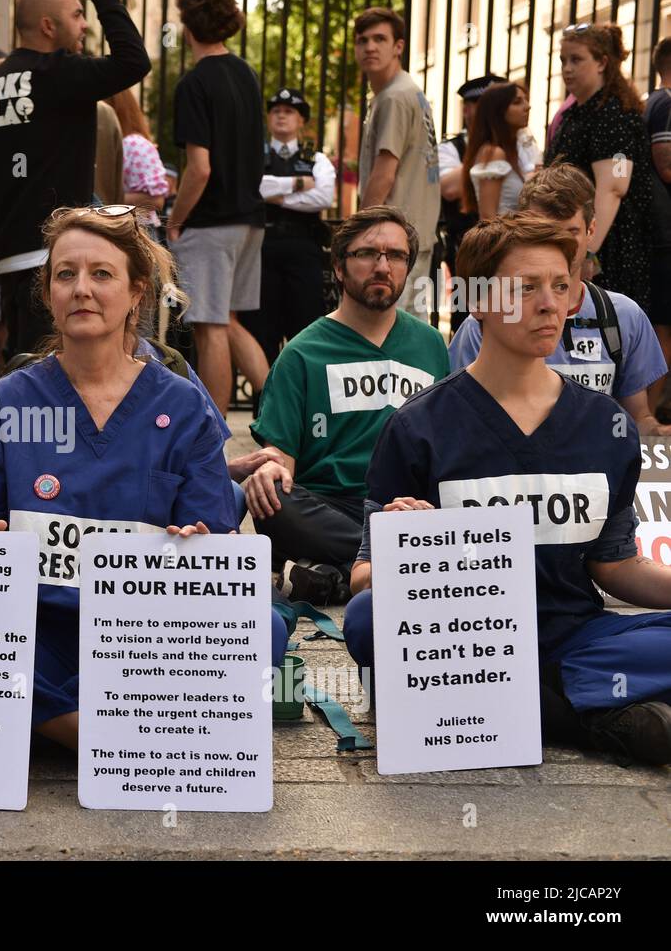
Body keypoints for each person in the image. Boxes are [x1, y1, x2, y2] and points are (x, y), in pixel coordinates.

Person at [0, 204, 288, 749]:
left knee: (266, 630)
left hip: (147, 634)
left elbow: (215, 550)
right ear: (47, 292)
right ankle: (120, 734)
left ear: (137, 292)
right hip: (35, 626)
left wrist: (199, 544)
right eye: (65, 274)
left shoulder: (185, 406)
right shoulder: (9, 401)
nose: (81, 289)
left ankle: (50, 724)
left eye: (101, 274)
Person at [343, 212, 671, 765]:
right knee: (367, 618)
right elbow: (361, 579)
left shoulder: (604, 427)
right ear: (478, 300)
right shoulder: (418, 426)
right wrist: (411, 546)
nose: (551, 305)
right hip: (461, 637)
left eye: (561, 286)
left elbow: (614, 567)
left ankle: (501, 710)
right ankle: (590, 717)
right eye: (525, 288)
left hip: (574, 637)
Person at [238, 205, 449, 603]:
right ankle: (404, 563)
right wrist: (268, 468)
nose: (383, 266)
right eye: (368, 253)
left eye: (396, 255)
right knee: (271, 499)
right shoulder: (302, 352)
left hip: (405, 507)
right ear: (338, 266)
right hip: (328, 507)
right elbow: (281, 458)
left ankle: (336, 577)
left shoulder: (432, 345)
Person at [0, 0, 150, 359]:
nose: (85, 25)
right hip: (56, 257)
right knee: (60, 375)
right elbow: (134, 61)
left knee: (30, 368)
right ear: (49, 26)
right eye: (78, 15)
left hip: (9, 259)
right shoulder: (60, 72)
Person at [450, 163, 670, 435]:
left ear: (591, 231)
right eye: (543, 231)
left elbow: (636, 418)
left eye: (569, 233)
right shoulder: (486, 322)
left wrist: (659, 436)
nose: (555, 244)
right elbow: (462, 421)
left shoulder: (624, 315)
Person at [168, 0, 269, 417]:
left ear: (188, 25)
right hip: (250, 219)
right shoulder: (247, 74)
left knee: (210, 329)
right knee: (228, 323)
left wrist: (176, 220)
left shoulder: (194, 84)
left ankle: (213, 432)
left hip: (211, 223)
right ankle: (289, 416)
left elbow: (200, 169)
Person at [546, 23, 656, 313]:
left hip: (609, 247)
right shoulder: (575, 113)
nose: (567, 68)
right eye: (563, 60)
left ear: (602, 63)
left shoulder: (613, 114)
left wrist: (589, 251)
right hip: (575, 239)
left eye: (576, 59)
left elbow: (615, 185)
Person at [354, 7, 440, 318]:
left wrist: (358, 231)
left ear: (398, 46)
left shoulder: (395, 97)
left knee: (390, 326)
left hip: (394, 239)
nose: (370, 47)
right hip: (411, 234)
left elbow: (384, 174)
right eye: (362, 40)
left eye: (380, 39)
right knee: (408, 324)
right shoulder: (408, 92)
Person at [253, 86, 335, 367]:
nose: (281, 116)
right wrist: (298, 185)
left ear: (302, 120)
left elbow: (323, 197)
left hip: (304, 251)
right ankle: (263, 404)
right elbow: (252, 189)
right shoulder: (255, 156)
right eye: (276, 111)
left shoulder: (318, 159)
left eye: (289, 111)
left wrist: (273, 195)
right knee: (263, 333)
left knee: (305, 330)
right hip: (262, 251)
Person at [438, 74, 502, 336]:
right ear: (467, 109)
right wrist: (487, 152)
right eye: (481, 105)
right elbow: (449, 188)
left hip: (511, 245)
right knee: (467, 319)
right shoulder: (452, 147)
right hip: (467, 247)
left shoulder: (519, 144)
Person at [642, 37, 671, 415]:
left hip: (660, 230)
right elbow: (665, 164)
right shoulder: (666, 102)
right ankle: (652, 412)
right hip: (665, 232)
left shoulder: (653, 101)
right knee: (664, 327)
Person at [461, 81, 539, 221]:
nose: (528, 106)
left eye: (526, 100)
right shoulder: (493, 153)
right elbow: (487, 217)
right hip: (502, 241)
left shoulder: (515, 150)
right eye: (517, 102)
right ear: (498, 111)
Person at [106, 88, 169, 233]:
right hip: (123, 228)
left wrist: (108, 201)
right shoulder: (124, 143)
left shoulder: (134, 144)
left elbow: (156, 200)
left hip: (136, 230)